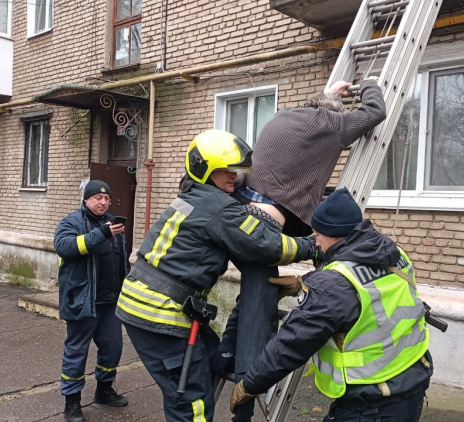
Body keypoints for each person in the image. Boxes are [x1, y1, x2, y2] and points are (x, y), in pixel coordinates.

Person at [115, 129, 317, 422]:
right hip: (161, 317)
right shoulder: (221, 209)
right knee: (190, 402)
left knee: (213, 356)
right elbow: (268, 245)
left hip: (146, 306)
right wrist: (312, 247)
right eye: (226, 169)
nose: (234, 176)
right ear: (205, 169)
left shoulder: (192, 196)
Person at [217, 77, 387, 421]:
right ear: (333, 112)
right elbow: (375, 111)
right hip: (265, 224)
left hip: (238, 210)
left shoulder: (281, 116)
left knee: (254, 291)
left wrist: (328, 93)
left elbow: (316, 107)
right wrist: (370, 83)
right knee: (260, 304)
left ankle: (223, 357)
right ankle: (245, 402)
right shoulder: (334, 124)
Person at [229, 188, 433, 422]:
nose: (316, 242)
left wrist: (249, 385)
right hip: (412, 379)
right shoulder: (394, 253)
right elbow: (363, 284)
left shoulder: (332, 287)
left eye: (317, 234)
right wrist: (303, 282)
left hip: (371, 405)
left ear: (335, 235)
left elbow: (290, 345)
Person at [54, 180, 129, 422]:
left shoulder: (113, 224)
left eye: (107, 199)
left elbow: (120, 262)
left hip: (110, 302)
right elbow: (64, 246)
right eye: (98, 198)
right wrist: (101, 233)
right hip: (83, 300)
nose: (103, 202)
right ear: (86, 200)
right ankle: (72, 401)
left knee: (112, 348)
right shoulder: (72, 222)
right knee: (76, 352)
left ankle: (104, 389)